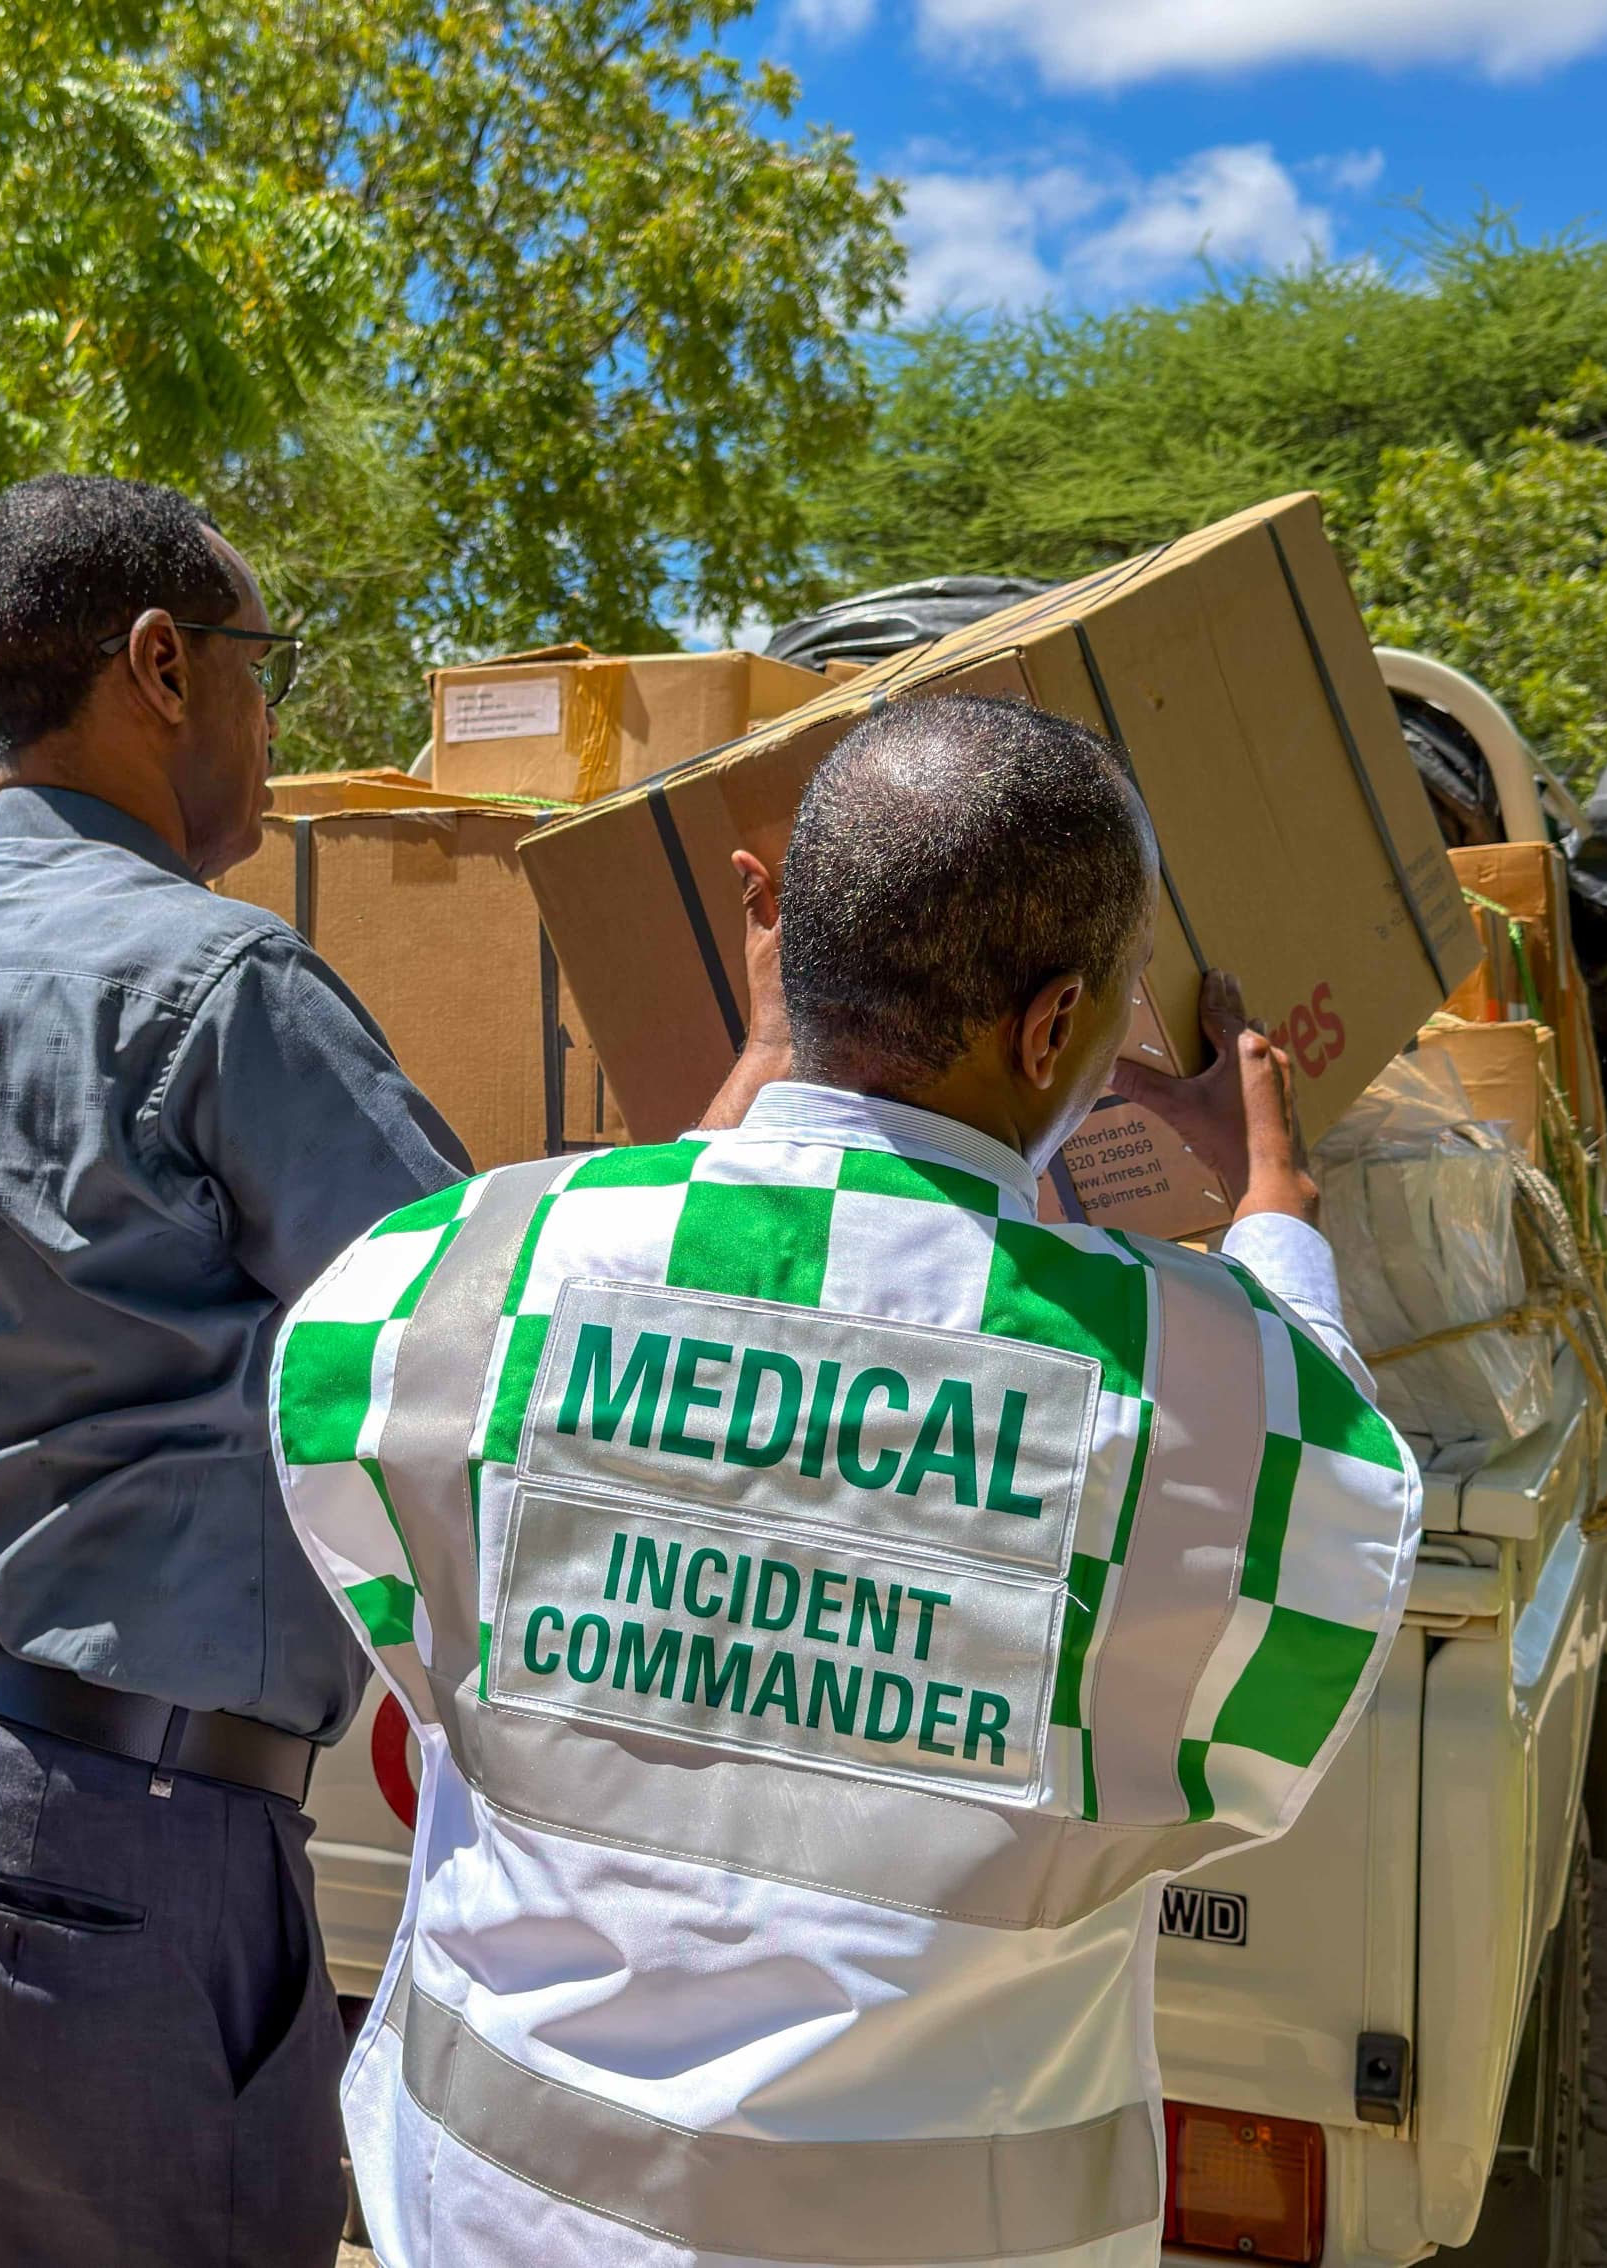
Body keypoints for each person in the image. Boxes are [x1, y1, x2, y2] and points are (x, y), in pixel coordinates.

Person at [269, 694, 1427, 2267]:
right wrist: (1272, 1201)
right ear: (1047, 1025)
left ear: (793, 961)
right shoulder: (1212, 1382)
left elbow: (653, 1337)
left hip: (495, 2217)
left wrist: (765, 1068)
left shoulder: (451, 1274)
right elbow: (1325, 1502)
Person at [0, 472, 461, 2266]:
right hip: (99, 1834)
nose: (269, 713)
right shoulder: (222, 979)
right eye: (265, 665)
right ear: (162, 665)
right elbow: (478, 1335)